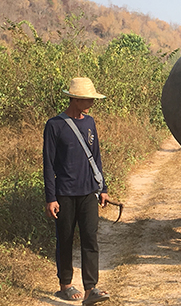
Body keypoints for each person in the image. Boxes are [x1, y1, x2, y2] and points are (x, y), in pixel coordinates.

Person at [43, 77, 111, 304]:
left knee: (90, 239)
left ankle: (91, 288)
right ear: (74, 98)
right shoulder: (54, 125)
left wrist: (103, 188)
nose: (91, 101)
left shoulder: (90, 123)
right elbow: (48, 164)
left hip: (89, 192)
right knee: (65, 238)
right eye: (87, 98)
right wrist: (51, 197)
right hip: (64, 193)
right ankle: (65, 285)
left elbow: (96, 158)